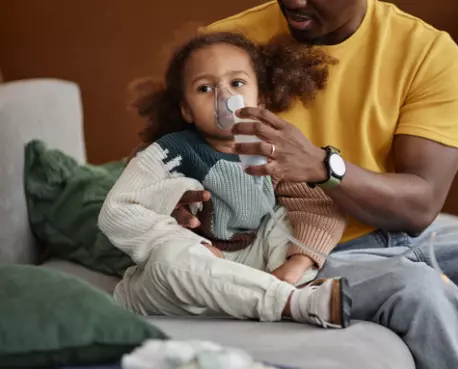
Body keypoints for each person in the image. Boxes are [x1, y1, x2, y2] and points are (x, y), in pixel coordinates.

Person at [164, 0, 458, 368]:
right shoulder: (225, 49)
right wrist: (180, 205)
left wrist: (323, 166)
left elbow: (420, 205)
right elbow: (170, 164)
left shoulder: (424, 50)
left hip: (404, 235)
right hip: (296, 252)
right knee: (422, 291)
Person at [98, 31, 353, 329]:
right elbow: (117, 210)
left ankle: (282, 287)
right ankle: (291, 302)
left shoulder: (276, 150)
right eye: (205, 88)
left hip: (261, 266)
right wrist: (181, 241)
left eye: (237, 83)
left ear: (261, 99)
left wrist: (296, 265)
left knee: (287, 217)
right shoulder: (171, 152)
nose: (224, 96)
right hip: (192, 271)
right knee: (168, 260)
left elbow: (319, 207)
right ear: (186, 110)